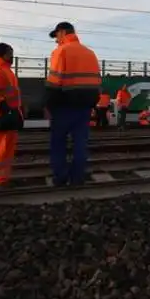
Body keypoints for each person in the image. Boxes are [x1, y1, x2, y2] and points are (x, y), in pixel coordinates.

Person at [45, 21, 102, 186]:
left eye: (56, 36)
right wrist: (91, 104)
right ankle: (77, 178)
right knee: (80, 144)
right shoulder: (90, 53)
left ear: (62, 32)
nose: (56, 40)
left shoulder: (60, 51)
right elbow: (97, 83)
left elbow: (53, 83)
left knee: (58, 143)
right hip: (84, 107)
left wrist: (49, 105)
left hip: (63, 105)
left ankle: (60, 177)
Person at [0, 43, 24, 189]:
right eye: (10, 53)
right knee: (0, 149)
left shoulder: (6, 70)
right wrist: (5, 110)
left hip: (11, 114)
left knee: (7, 150)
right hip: (5, 115)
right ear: (2, 54)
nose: (12, 56)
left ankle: (3, 178)